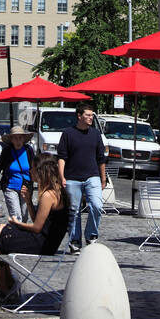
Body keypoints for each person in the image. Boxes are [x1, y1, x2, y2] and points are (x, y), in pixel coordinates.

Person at [0, 154, 69, 300]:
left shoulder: (48, 195)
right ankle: (1, 290)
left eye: (32, 169)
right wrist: (28, 201)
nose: (30, 171)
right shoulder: (58, 191)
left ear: (40, 171)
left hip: (41, 243)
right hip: (47, 242)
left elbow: (36, 227)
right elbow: (38, 221)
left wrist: (17, 223)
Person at [57, 102, 106, 253]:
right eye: (88, 115)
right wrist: (62, 177)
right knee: (73, 211)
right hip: (72, 178)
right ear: (79, 116)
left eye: (92, 115)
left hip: (92, 176)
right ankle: (75, 240)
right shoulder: (68, 134)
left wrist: (103, 178)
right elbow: (61, 158)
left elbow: (101, 158)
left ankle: (91, 235)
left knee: (97, 206)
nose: (91, 118)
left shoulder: (96, 134)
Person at [0, 129, 35, 221]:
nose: (18, 141)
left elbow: (34, 167)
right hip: (10, 186)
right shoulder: (7, 151)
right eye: (15, 138)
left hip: (26, 186)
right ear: (11, 139)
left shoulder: (28, 150)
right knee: (16, 216)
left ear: (24, 139)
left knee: (24, 215)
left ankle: (22, 234)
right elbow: (0, 165)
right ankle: (17, 234)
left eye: (20, 138)